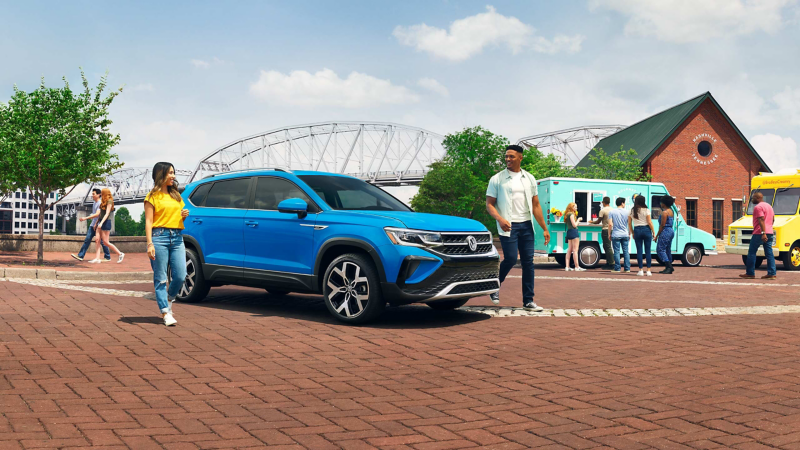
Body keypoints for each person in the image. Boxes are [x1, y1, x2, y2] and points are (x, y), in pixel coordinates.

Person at [486, 144, 550, 311]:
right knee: (511, 258)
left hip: (527, 225)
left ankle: (528, 301)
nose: (508, 159)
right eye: (506, 156)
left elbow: (536, 205)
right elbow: (489, 205)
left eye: (512, 156)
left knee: (528, 262)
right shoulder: (497, 179)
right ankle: (495, 286)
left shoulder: (529, 178)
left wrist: (544, 228)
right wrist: (500, 219)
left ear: (520, 158)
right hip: (508, 225)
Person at [145, 162, 190, 326]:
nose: (173, 176)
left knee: (180, 275)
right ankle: (165, 312)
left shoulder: (176, 195)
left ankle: (170, 298)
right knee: (161, 278)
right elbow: (149, 221)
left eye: (174, 173)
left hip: (177, 237)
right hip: (159, 238)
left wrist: (183, 216)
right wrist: (149, 244)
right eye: (170, 173)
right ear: (160, 174)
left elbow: (176, 216)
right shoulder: (152, 196)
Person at [82, 188, 124, 264]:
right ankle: (97, 258)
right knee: (97, 240)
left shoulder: (109, 201)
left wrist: (101, 223)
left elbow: (107, 213)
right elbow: (100, 214)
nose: (101, 194)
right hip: (100, 222)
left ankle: (120, 254)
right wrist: (96, 223)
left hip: (105, 222)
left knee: (105, 242)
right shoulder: (102, 202)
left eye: (102, 193)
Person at [741, 191, 776, 280]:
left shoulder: (758, 207)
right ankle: (772, 273)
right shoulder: (769, 206)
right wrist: (768, 229)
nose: (752, 200)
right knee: (769, 254)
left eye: (753, 198)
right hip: (770, 232)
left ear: (758, 198)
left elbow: (761, 219)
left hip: (759, 233)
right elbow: (773, 219)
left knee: (752, 253)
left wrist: (763, 233)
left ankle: (750, 273)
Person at [71, 188, 110, 262]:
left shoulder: (100, 203)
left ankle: (107, 256)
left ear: (99, 195)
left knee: (102, 241)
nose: (92, 195)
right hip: (93, 224)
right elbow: (94, 214)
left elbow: (98, 214)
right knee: (87, 239)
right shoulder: (94, 203)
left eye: (93, 194)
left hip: (98, 225)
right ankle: (81, 256)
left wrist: (86, 218)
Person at [628, 195, 655, 276]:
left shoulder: (632, 211)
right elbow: (650, 222)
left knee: (639, 251)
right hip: (646, 230)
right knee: (648, 251)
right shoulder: (646, 210)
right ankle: (649, 270)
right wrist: (653, 231)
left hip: (637, 230)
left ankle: (640, 270)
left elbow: (629, 223)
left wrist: (632, 232)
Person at [591, 196, 614, 270]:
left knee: (607, 246)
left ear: (603, 202)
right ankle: (609, 262)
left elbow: (598, 221)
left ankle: (611, 263)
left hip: (605, 229)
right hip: (612, 229)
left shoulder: (603, 210)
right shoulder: (613, 210)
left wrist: (592, 222)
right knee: (608, 246)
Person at [609, 197, 631, 273]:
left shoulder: (612, 212)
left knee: (616, 251)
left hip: (616, 234)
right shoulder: (628, 212)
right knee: (626, 251)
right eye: (624, 203)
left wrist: (609, 234)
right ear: (622, 203)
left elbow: (610, 224)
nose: (624, 204)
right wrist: (629, 233)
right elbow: (629, 224)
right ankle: (627, 268)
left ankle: (617, 268)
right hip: (625, 234)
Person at [655, 196, 676, 274]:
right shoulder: (671, 211)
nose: (660, 203)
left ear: (664, 203)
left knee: (660, 250)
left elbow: (662, 225)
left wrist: (657, 235)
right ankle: (668, 266)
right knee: (667, 249)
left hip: (665, 231)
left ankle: (669, 266)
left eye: (661, 202)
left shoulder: (664, 212)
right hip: (671, 231)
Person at [563, 202, 586, 272]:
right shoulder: (572, 214)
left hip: (569, 232)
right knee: (575, 250)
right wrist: (578, 220)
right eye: (575, 207)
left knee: (569, 250)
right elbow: (574, 225)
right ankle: (577, 266)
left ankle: (567, 266)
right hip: (574, 232)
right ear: (571, 208)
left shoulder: (567, 214)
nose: (576, 208)